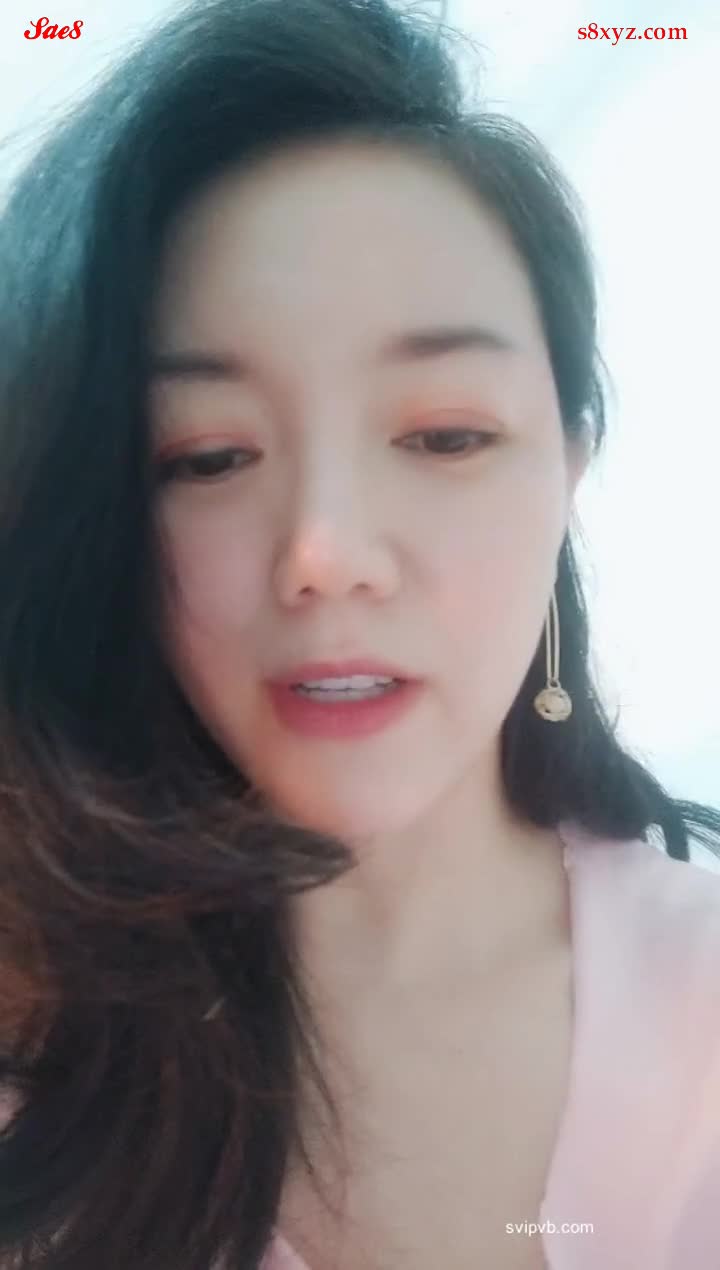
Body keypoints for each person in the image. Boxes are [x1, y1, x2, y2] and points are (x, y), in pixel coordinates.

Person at [0, 0, 719, 1266]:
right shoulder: (35, 1040)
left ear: (568, 465)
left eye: (444, 434)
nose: (324, 551)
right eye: (206, 455)